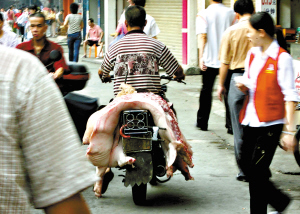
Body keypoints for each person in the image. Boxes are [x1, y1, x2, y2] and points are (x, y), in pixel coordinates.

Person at [0, 45, 98, 213]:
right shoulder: (20, 62)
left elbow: (62, 68)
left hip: (54, 92)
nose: (35, 29)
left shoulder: (26, 67)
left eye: (38, 25)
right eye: (33, 26)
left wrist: (56, 74)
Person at [98, 5, 185, 193]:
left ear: (125, 24)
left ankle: (105, 170)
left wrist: (105, 76)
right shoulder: (156, 45)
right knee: (171, 120)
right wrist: (180, 75)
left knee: (108, 130)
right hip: (152, 99)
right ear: (145, 23)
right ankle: (171, 157)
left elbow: (102, 70)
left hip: (122, 100)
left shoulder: (116, 46)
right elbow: (176, 70)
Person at [237, 12, 298, 214]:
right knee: (245, 164)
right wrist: (244, 86)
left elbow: (290, 96)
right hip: (250, 119)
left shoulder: (282, 58)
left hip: (270, 124)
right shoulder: (253, 54)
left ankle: (265, 208)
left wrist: (289, 131)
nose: (247, 35)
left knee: (257, 171)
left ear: (261, 33)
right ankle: (279, 201)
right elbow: (250, 81)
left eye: (249, 32)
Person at [217, 0, 254, 182]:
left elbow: (224, 62)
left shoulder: (231, 31)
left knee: (239, 128)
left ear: (237, 13)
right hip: (259, 79)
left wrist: (221, 84)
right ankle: (259, 165)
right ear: (253, 11)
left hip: (237, 79)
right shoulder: (261, 29)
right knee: (259, 126)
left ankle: (244, 170)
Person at [196, 0, 236, 131]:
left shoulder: (203, 14)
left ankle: (202, 122)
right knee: (228, 92)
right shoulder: (232, 13)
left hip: (209, 59)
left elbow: (203, 36)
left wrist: (201, 57)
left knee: (206, 91)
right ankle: (231, 125)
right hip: (227, 61)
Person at [16, 12, 68, 81]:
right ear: (29, 28)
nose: (35, 30)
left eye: (39, 26)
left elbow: (60, 67)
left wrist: (55, 75)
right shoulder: (21, 48)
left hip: (48, 86)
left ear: (45, 28)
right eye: (32, 26)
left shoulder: (55, 48)